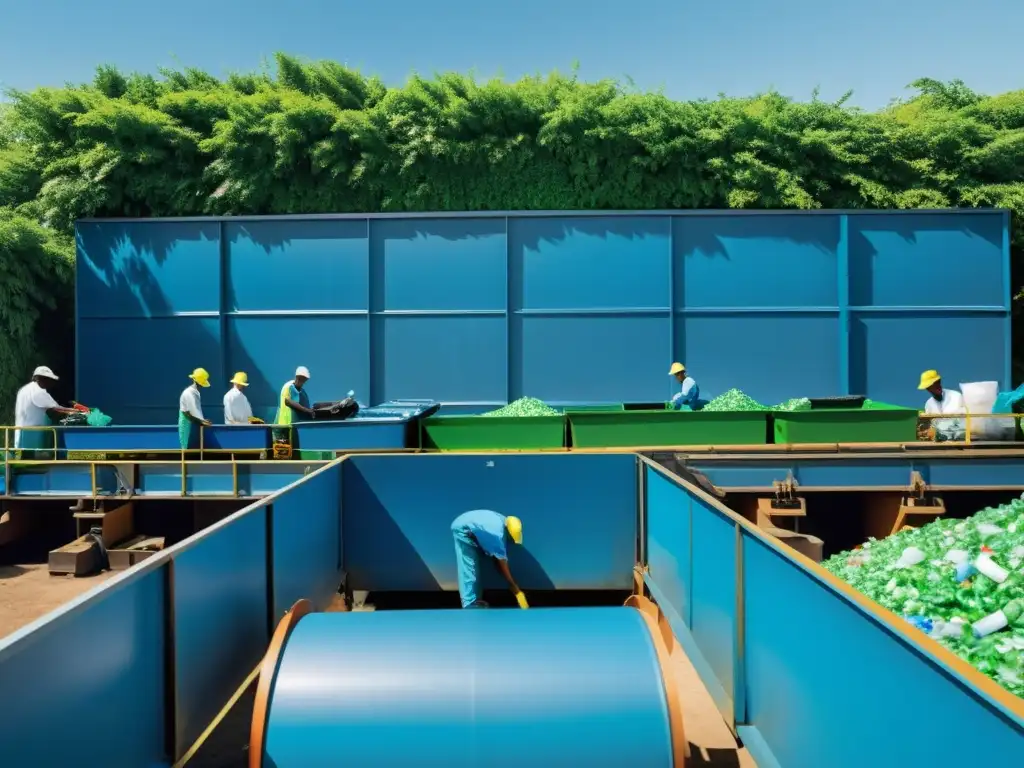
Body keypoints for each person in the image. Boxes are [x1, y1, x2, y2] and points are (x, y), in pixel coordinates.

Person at [450, 509, 528, 609]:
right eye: (510, 537)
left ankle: (475, 599)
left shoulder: (503, 520)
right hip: (462, 529)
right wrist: (513, 586)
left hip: (472, 525)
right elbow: (500, 562)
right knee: (469, 564)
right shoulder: (496, 533)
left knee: (478, 562)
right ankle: (469, 603)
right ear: (507, 530)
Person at [14, 366, 77, 458]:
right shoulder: (38, 392)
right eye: (50, 380)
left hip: (23, 433)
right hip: (32, 434)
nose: (52, 383)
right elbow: (57, 409)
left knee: (25, 455)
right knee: (41, 456)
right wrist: (76, 411)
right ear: (42, 379)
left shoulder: (25, 390)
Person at [918, 369, 966, 441]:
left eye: (937, 383)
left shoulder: (956, 396)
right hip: (939, 443)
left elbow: (964, 422)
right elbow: (930, 426)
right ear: (928, 389)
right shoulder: (929, 404)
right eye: (931, 386)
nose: (936, 386)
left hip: (959, 440)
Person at [179, 368, 213, 450]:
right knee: (186, 448)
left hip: (191, 423)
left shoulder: (194, 392)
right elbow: (192, 411)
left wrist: (202, 420)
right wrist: (202, 421)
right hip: (187, 424)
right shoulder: (190, 393)